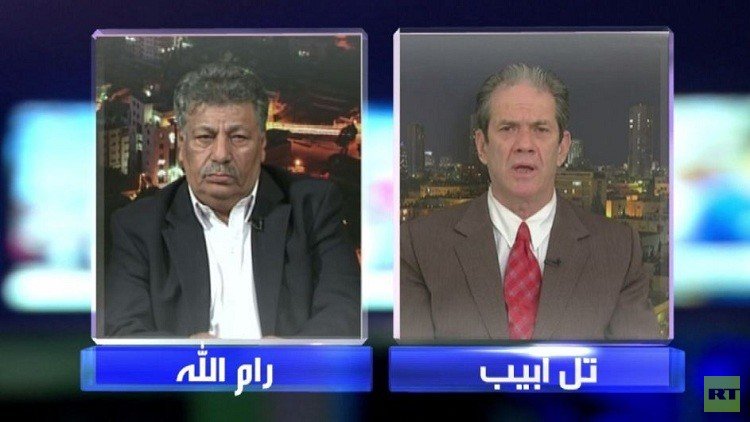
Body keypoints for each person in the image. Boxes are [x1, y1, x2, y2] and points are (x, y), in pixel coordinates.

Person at [400, 63, 659, 341]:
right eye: (508, 128)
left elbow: (641, 365)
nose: (524, 144)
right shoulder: (419, 246)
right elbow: (410, 365)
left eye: (541, 129)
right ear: (482, 146)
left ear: (562, 148)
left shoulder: (618, 250)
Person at [105, 63, 360, 339]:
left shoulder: (313, 207)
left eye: (238, 137)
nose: (221, 154)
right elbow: (124, 331)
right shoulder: (138, 226)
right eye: (205, 137)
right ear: (182, 146)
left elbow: (345, 311)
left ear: (262, 146)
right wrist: (186, 354)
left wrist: (289, 356)